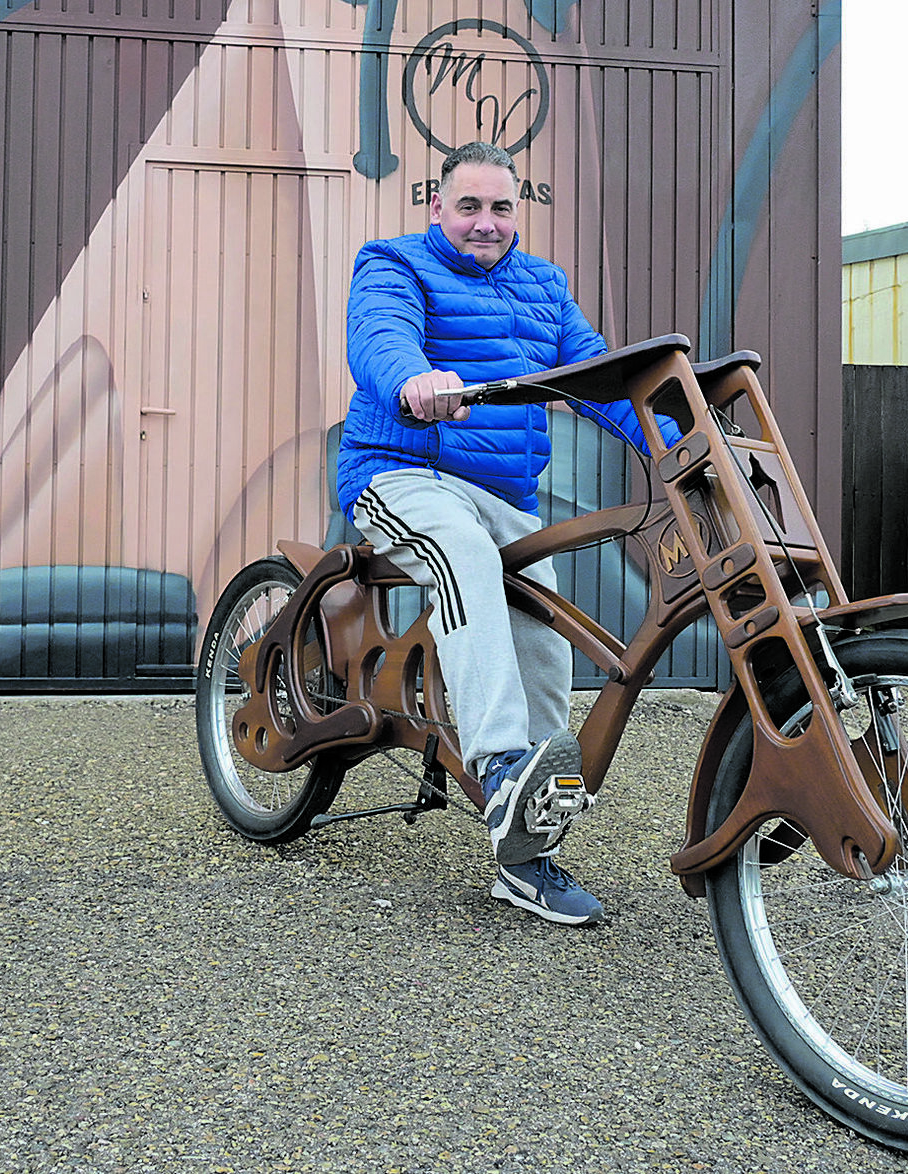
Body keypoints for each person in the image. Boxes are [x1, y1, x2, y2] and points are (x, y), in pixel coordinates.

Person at [337, 142, 674, 927]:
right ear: (437, 209)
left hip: (505, 496)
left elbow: (596, 377)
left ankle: (529, 844)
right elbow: (381, 338)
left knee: (547, 642)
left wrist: (672, 433)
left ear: (517, 212)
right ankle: (498, 771)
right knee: (462, 557)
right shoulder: (392, 263)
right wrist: (412, 379)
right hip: (402, 473)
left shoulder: (544, 287)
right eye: (469, 207)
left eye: (500, 208)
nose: (485, 223)